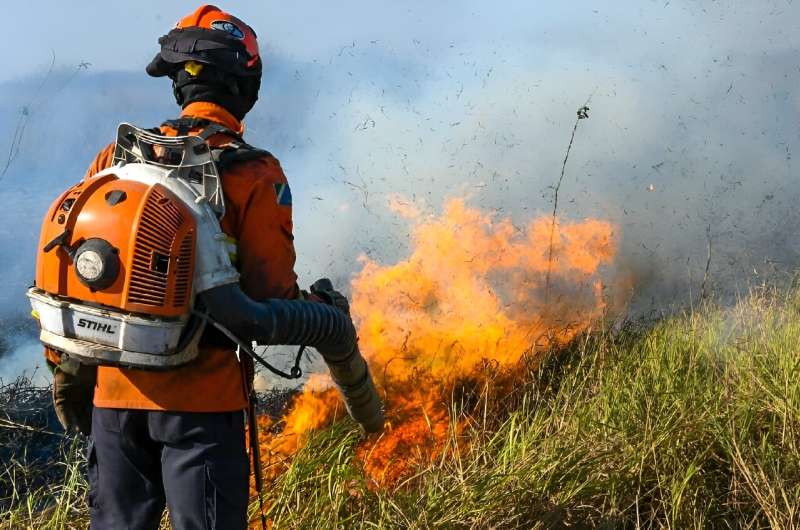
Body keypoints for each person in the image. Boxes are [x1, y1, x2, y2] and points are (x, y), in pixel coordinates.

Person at [44, 5, 326, 529]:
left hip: (115, 399)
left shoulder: (116, 161)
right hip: (202, 407)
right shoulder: (256, 173)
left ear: (179, 83)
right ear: (246, 84)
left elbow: (71, 271)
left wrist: (68, 372)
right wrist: (323, 313)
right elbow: (271, 296)